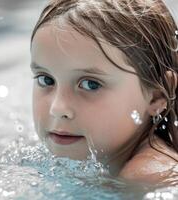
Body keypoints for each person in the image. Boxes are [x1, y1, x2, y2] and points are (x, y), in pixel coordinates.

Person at [30, 0, 178, 185]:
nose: (57, 108)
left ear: (156, 97)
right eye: (46, 80)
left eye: (91, 84)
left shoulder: (151, 177)